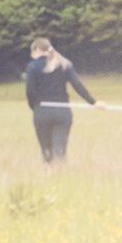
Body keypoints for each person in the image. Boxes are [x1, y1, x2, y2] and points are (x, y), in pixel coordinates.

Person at [23, 36, 98, 165]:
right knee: (60, 150)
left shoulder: (32, 67)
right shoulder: (64, 64)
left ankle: (50, 175)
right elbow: (77, 85)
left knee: (46, 151)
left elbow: (30, 91)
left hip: (42, 112)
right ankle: (62, 175)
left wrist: (33, 106)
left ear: (36, 49)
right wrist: (93, 102)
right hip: (62, 112)